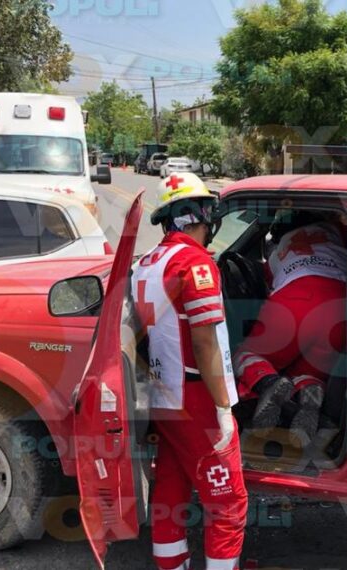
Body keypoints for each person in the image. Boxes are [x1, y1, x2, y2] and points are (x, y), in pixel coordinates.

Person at [132, 172, 247, 570]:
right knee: (228, 504)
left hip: (162, 395)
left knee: (171, 489)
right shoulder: (196, 264)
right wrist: (223, 408)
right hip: (196, 398)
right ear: (200, 214)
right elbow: (203, 343)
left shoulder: (146, 263)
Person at [234, 210, 347, 441]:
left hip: (295, 302)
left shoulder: (281, 249)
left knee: (245, 354)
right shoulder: (341, 232)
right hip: (343, 307)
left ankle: (269, 383)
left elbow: (264, 280)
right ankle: (309, 392)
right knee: (308, 371)